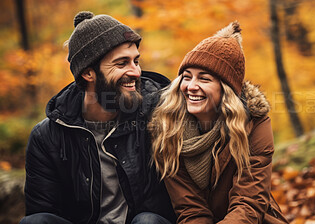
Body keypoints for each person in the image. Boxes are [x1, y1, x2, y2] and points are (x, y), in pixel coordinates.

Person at [20, 11, 176, 224]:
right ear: (88, 73)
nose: (136, 72)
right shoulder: (47, 136)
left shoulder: (160, 115)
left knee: (148, 221)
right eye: (122, 64)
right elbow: (43, 209)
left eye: (136, 61)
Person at [148, 21, 289, 223]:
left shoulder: (254, 123)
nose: (191, 86)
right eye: (186, 77)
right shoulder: (167, 128)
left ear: (226, 89)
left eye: (204, 79)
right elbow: (191, 210)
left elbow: (248, 203)